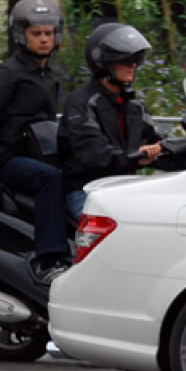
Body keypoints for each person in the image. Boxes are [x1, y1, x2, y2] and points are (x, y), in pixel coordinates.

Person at [0, 0, 70, 283]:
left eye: (48, 33)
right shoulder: (8, 73)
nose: (43, 39)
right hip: (9, 158)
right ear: (20, 35)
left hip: (35, 154)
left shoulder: (48, 75)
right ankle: (49, 260)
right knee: (49, 178)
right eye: (36, 33)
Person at [58, 22, 172, 221]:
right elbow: (94, 154)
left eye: (136, 58)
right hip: (88, 191)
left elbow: (156, 139)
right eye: (126, 59)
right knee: (125, 228)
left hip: (122, 189)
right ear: (103, 62)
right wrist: (136, 157)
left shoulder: (133, 105)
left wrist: (183, 148)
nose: (133, 65)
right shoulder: (81, 103)